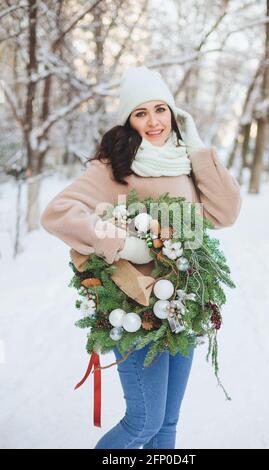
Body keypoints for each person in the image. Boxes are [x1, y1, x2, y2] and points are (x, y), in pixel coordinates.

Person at [40, 66, 241, 449]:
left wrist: (199, 150)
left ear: (173, 113)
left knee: (166, 424)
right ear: (129, 120)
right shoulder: (114, 166)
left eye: (160, 110)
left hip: (182, 307)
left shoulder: (185, 162)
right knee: (143, 422)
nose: (153, 121)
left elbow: (226, 213)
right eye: (141, 113)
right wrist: (123, 243)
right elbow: (57, 212)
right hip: (135, 309)